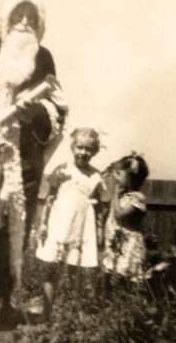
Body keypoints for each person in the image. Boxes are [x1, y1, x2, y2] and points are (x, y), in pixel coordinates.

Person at [0, 0, 68, 322]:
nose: (24, 24)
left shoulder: (44, 59)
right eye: (17, 16)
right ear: (5, 20)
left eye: (31, 18)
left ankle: (3, 301)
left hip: (23, 158)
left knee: (14, 231)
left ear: (40, 25)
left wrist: (35, 114)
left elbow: (58, 109)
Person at [34, 128, 104, 322]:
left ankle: (68, 313)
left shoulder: (95, 176)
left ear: (95, 152)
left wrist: (98, 230)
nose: (83, 152)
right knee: (52, 270)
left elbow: (98, 207)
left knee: (74, 270)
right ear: (72, 147)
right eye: (79, 147)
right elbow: (49, 198)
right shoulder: (62, 170)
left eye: (89, 149)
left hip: (81, 228)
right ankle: (46, 313)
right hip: (59, 223)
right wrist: (43, 224)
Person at [101, 152, 150, 285]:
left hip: (128, 245)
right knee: (111, 275)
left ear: (131, 177)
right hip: (116, 242)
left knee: (122, 277)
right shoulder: (123, 196)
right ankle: (110, 303)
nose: (115, 177)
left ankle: (124, 302)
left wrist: (115, 195)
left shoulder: (137, 198)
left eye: (119, 174)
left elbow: (120, 214)